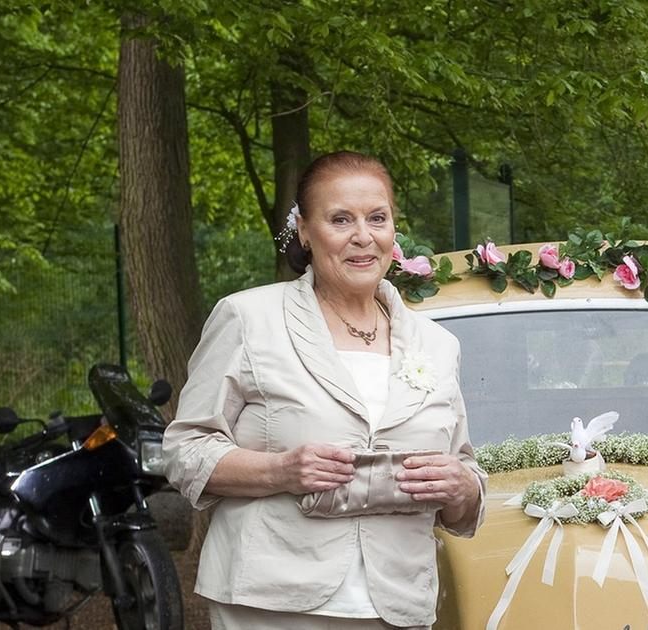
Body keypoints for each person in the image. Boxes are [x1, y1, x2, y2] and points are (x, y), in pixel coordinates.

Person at [163, 150, 486, 630]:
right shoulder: (248, 319)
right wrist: (281, 470)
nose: (363, 236)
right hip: (273, 603)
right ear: (305, 231)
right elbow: (184, 450)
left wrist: (462, 488)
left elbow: (463, 471)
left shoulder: (438, 344)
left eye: (377, 218)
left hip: (398, 603)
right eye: (340, 219)